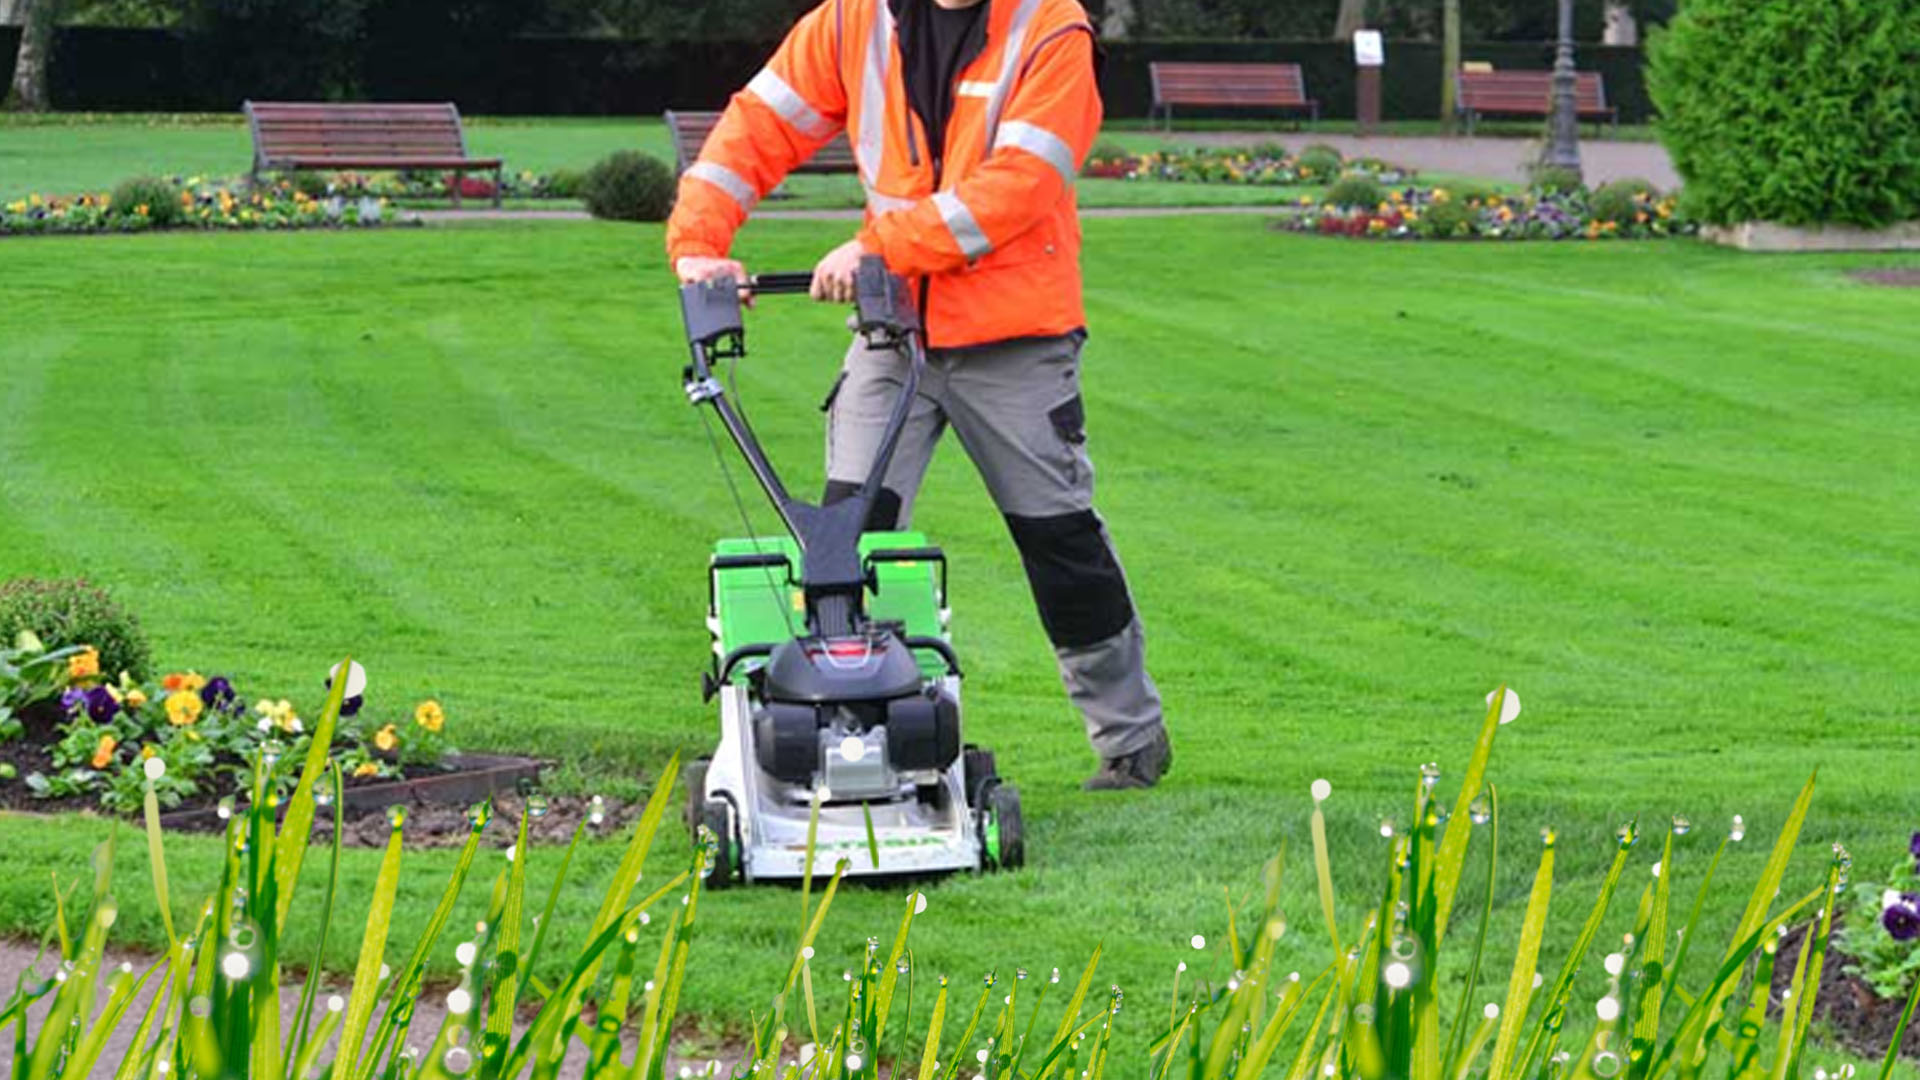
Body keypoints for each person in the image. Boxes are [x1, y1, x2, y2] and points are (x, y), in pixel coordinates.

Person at [666, 0, 1172, 791]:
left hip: (1015, 338)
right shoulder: (851, 21)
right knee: (843, 541)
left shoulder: (1049, 27)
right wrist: (700, 242)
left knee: (1059, 542)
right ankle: (845, 736)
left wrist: (880, 246)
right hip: (891, 333)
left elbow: (1021, 186)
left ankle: (1131, 737)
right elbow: (758, 124)